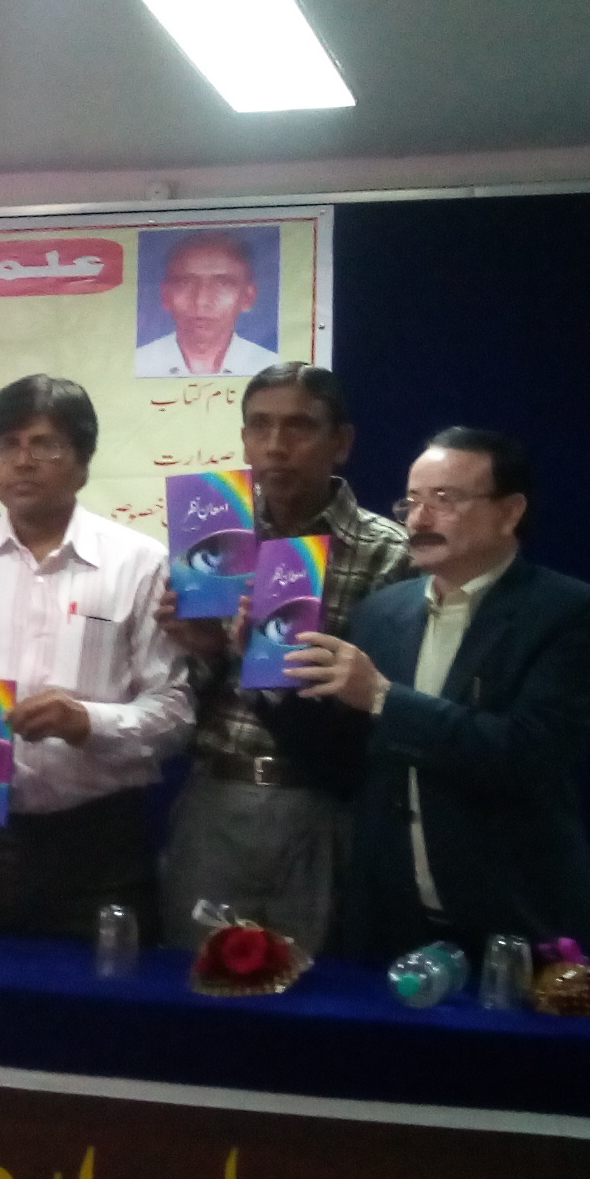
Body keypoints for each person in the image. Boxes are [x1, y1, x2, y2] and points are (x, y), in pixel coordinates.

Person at [284, 428, 590, 962]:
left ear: (510, 512)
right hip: (391, 922)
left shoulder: (568, 613)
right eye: (411, 501)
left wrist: (383, 698)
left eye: (444, 499)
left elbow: (527, 753)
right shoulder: (382, 612)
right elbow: (343, 767)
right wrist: (268, 676)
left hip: (513, 919)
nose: (419, 519)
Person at [0, 375, 192, 937]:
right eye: (7, 446)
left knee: (101, 991)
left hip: (100, 844)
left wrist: (87, 721)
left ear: (83, 462)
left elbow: (175, 711)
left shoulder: (140, 563)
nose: (23, 462)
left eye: (44, 445)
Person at [154, 365, 413, 949]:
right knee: (197, 976)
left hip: (322, 805)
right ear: (244, 438)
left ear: (340, 442)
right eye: (260, 426)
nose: (276, 446)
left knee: (316, 983)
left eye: (299, 427)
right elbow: (179, 697)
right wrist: (206, 649)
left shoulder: (389, 553)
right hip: (216, 795)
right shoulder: (212, 536)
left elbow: (385, 712)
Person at [135, 231, 281, 378]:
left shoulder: (271, 369)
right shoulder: (139, 364)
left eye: (222, 284)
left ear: (247, 297)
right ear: (166, 296)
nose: (201, 301)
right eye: (185, 283)